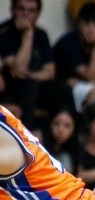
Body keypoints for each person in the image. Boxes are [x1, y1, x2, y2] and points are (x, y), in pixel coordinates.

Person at [0, 0, 74, 129]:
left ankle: (67, 135)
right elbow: (18, 68)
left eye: (31, 11)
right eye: (21, 9)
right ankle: (26, 135)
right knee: (29, 86)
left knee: (63, 89)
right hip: (11, 85)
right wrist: (27, 35)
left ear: (38, 14)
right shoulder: (4, 31)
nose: (25, 14)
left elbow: (50, 71)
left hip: (34, 80)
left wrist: (31, 75)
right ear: (12, 9)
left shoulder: (41, 34)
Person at [53, 2, 95, 112]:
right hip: (64, 88)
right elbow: (90, 76)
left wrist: (94, 80)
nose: (90, 30)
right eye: (86, 24)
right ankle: (89, 124)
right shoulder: (68, 42)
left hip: (85, 83)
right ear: (78, 24)